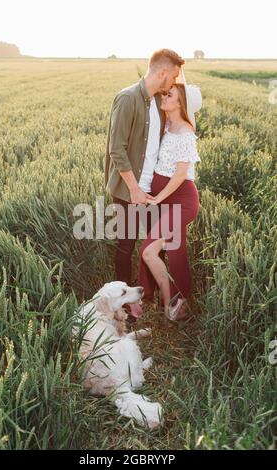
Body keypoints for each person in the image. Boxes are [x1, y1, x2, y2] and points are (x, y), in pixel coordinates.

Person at [105, 49, 185, 319]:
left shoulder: (156, 103)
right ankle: (125, 305)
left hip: (151, 192)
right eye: (173, 76)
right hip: (129, 191)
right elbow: (117, 149)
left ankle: (150, 297)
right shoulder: (128, 98)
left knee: (154, 246)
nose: (173, 82)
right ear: (162, 73)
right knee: (125, 247)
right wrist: (134, 189)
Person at [137, 77, 202, 321]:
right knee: (176, 251)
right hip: (167, 200)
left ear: (181, 103)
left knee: (148, 251)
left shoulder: (185, 132)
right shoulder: (166, 125)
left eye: (170, 95)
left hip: (182, 200)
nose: (164, 97)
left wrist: (157, 198)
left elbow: (180, 175)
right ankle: (178, 305)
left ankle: (169, 305)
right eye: (165, 94)